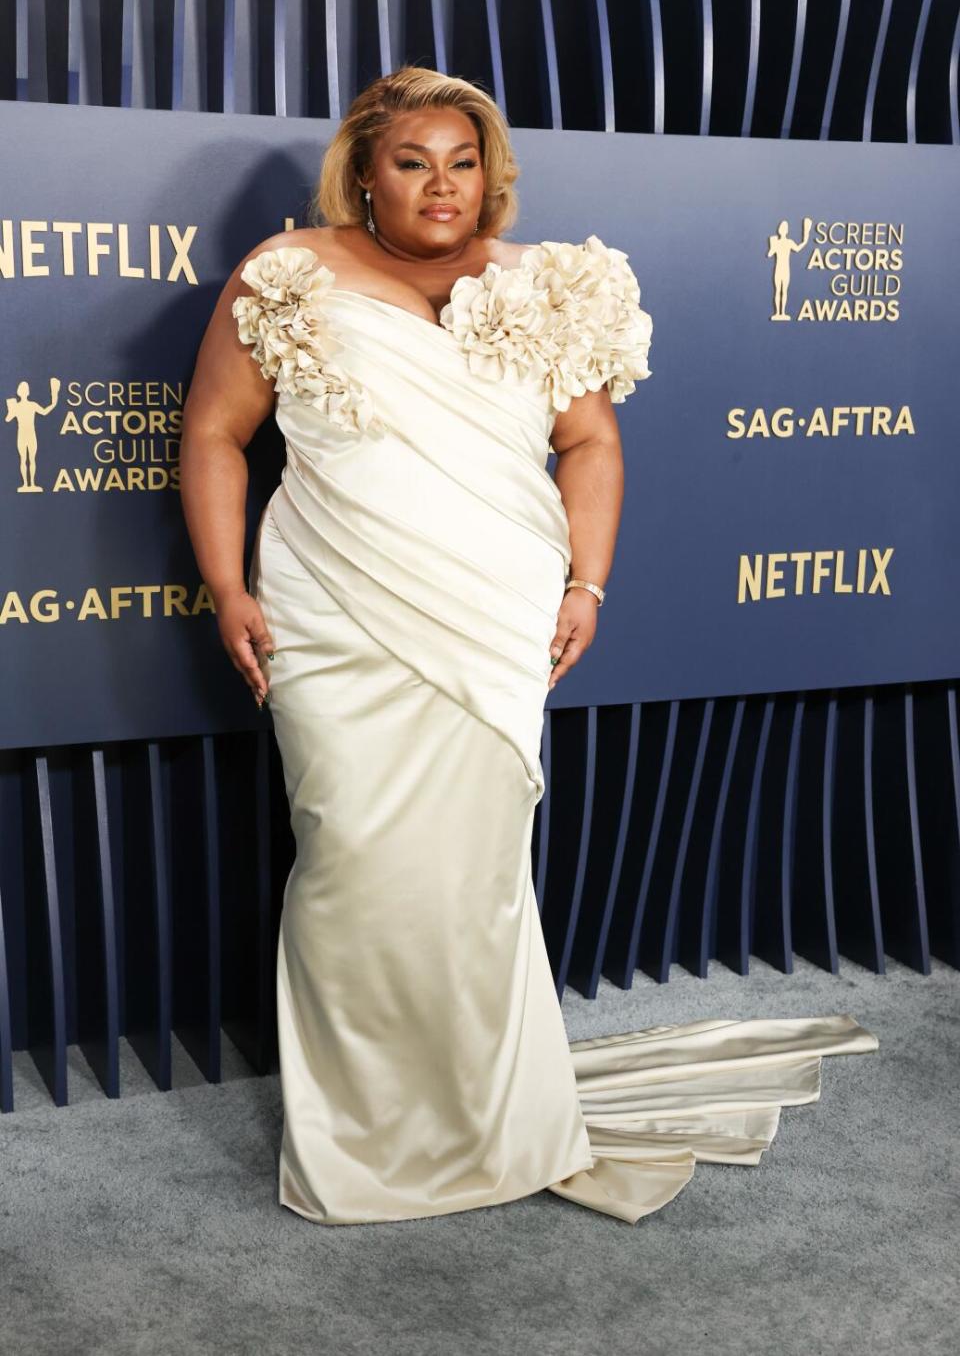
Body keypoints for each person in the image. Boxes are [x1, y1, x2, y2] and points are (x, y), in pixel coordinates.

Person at [180, 65, 878, 1226]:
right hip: (335, 613)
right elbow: (214, 430)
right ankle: (363, 1137)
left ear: (489, 176)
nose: (440, 186)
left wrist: (587, 583)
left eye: (462, 163)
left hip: (493, 614)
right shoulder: (286, 275)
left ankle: (487, 1114)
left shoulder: (552, 286)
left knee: (474, 883)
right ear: (363, 172)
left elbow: (590, 445)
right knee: (352, 858)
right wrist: (221, 581)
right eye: (412, 163)